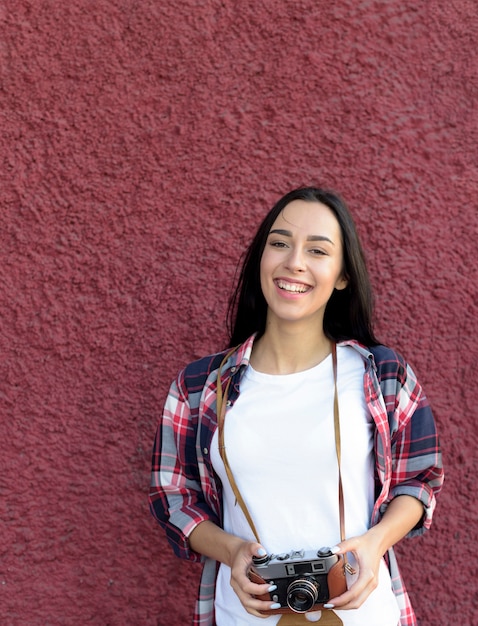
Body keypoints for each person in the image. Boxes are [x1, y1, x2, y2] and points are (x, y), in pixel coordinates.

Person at [149, 187, 444, 626]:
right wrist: (232, 552)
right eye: (280, 243)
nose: (295, 263)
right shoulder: (202, 386)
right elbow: (172, 497)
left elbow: (419, 480)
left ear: (344, 275)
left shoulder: (381, 375)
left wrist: (375, 542)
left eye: (318, 250)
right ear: (261, 260)